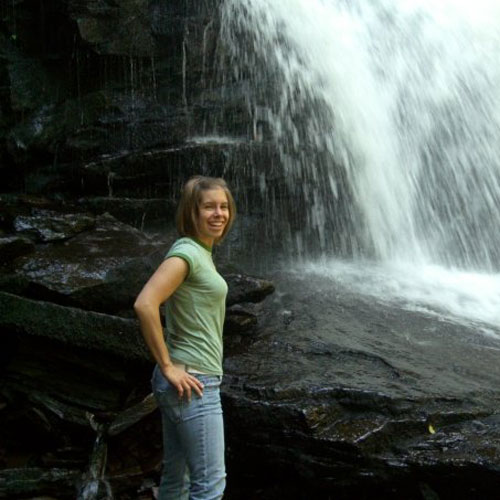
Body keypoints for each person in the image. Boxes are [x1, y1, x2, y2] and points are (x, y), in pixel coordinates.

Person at [134, 176, 236, 499]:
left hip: (184, 382)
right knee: (209, 487)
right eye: (209, 207)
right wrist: (167, 365)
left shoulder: (200, 253)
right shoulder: (187, 253)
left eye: (224, 206)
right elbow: (145, 303)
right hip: (193, 382)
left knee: (178, 481)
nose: (218, 213)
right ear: (192, 213)